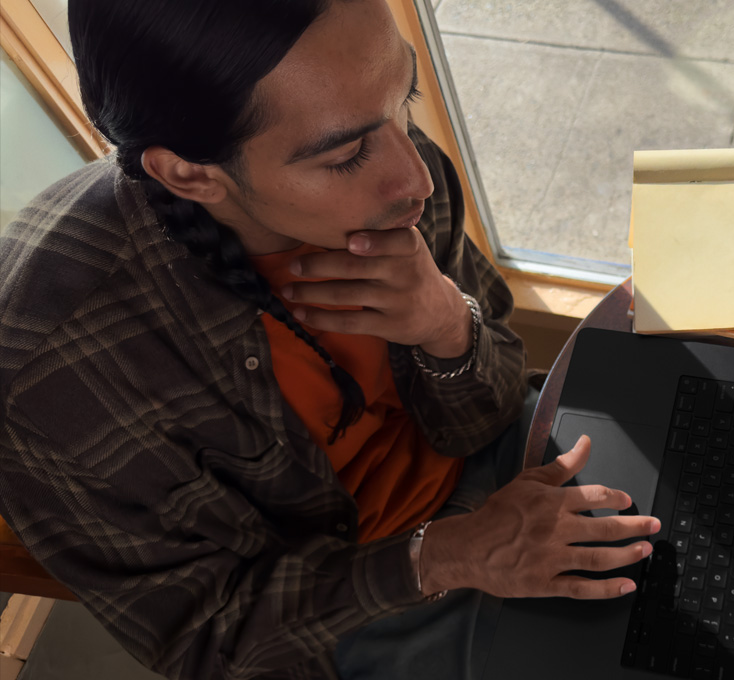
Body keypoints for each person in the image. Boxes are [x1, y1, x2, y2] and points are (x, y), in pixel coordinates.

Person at [0, 1, 658, 678]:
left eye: (403, 100)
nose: (417, 179)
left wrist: (444, 326)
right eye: (346, 155)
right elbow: (212, 642)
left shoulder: (385, 160)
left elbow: (489, 412)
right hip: (352, 605)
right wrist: (449, 554)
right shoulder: (58, 371)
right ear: (190, 175)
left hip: (496, 475)